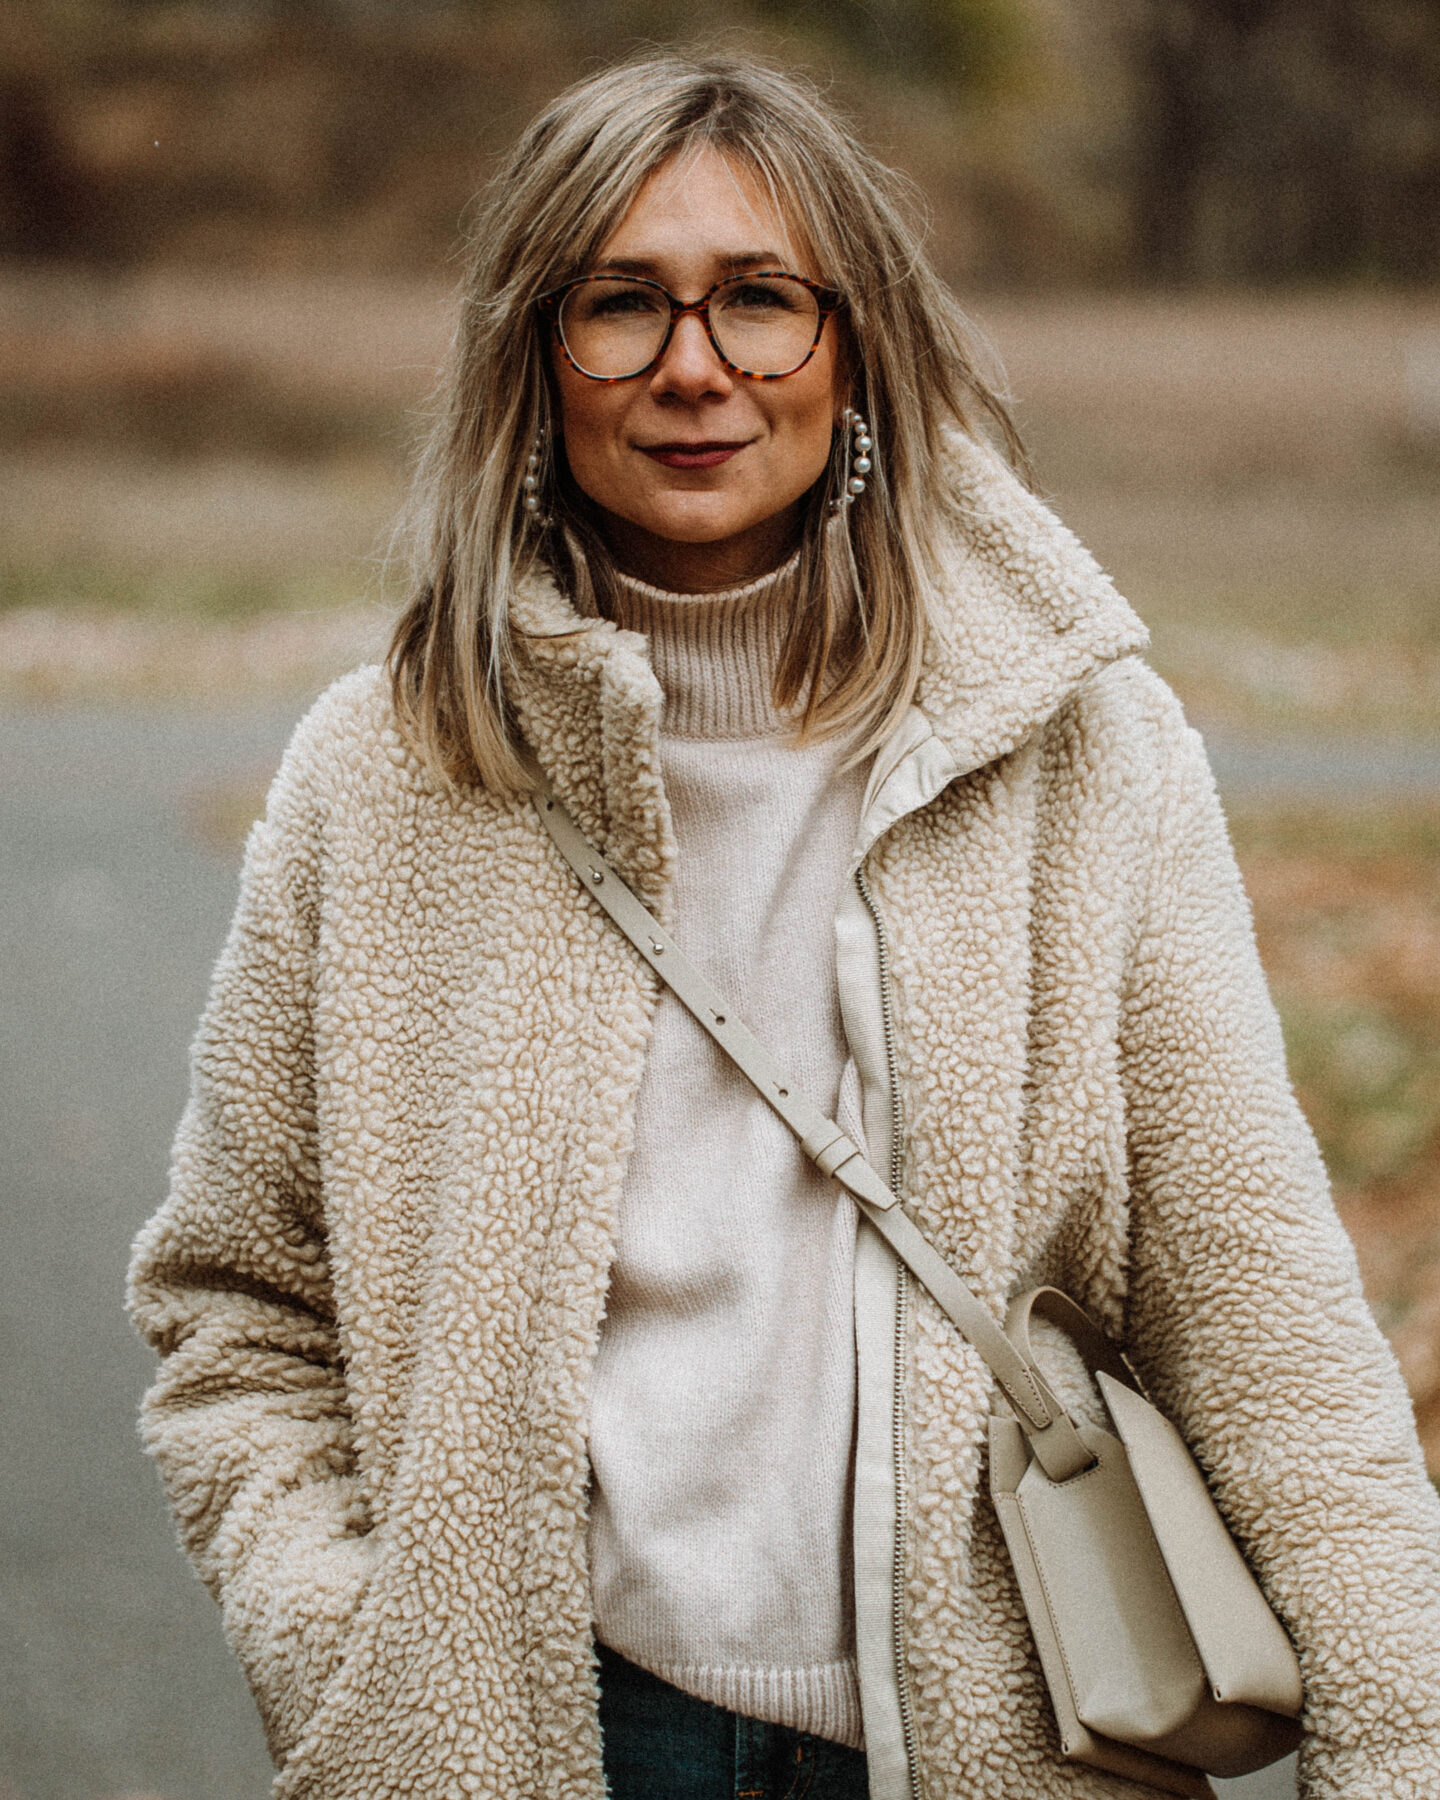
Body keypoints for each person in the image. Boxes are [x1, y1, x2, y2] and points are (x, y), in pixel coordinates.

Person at [127, 51, 1440, 1800]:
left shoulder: (1075, 752)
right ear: (535, 351)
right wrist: (369, 1676)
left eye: (760, 301)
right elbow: (239, 1309)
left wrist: (1403, 1741)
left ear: (858, 347)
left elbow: (1263, 1326)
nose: (694, 369)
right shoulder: (384, 775)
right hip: (556, 1740)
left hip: (1017, 1738)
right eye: (621, 305)